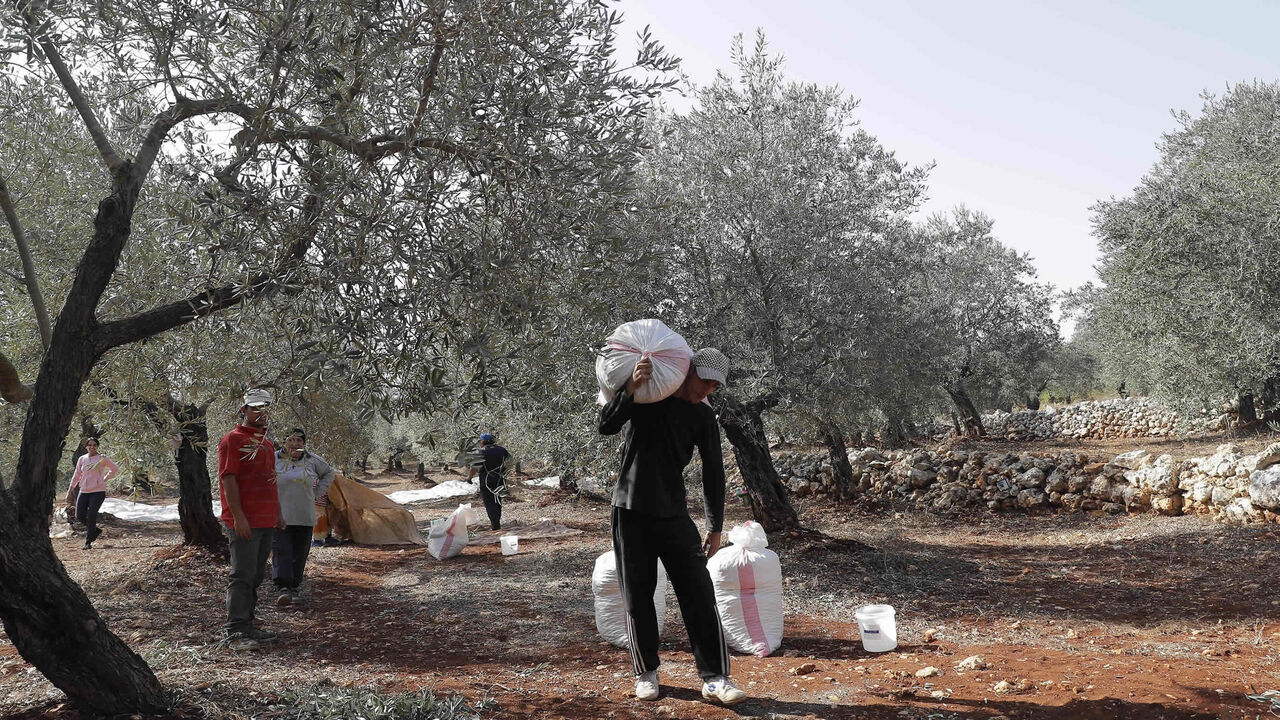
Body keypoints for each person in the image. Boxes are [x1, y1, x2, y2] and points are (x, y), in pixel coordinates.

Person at [597, 347, 747, 705]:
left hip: (674, 514)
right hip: (629, 511)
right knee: (638, 595)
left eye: (714, 387)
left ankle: (714, 678)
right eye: (705, 381)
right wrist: (630, 388)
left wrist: (715, 526)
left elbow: (714, 470)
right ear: (688, 371)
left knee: (698, 592)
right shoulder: (647, 396)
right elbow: (606, 425)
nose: (707, 390)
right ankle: (646, 672)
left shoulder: (703, 417)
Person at [217, 388, 284, 649]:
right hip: (245, 521)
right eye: (254, 407)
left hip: (265, 520)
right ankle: (234, 632)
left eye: (265, 407)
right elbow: (228, 478)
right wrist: (238, 518)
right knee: (242, 575)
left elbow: (270, 481)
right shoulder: (232, 440)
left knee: (256, 575)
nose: (260, 412)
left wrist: (277, 513)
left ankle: (248, 626)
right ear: (243, 410)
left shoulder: (266, 443)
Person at [272, 427, 334, 606]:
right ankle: (283, 588)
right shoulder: (274, 459)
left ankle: (294, 587)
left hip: (305, 514)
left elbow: (329, 473)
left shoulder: (312, 460)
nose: (295, 444)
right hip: (280, 514)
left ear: (304, 443)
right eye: (291, 440)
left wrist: (317, 492)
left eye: (299, 440)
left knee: (300, 553)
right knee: (282, 550)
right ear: (284, 442)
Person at [64, 438, 120, 550]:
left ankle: (88, 542)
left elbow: (114, 468)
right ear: (86, 447)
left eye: (94, 445)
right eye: (89, 445)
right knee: (79, 515)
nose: (92, 447)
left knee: (91, 515)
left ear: (97, 446)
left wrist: (105, 478)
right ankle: (95, 530)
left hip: (98, 492)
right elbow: (77, 475)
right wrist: (70, 490)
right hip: (84, 491)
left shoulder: (102, 458)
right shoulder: (82, 459)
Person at [466, 433, 510, 531]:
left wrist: (469, 478)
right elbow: (509, 462)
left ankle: (495, 525)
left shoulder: (480, 452)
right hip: (500, 479)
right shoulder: (502, 450)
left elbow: (474, 468)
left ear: (482, 441)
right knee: (497, 499)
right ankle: (496, 521)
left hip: (486, 480)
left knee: (489, 502)